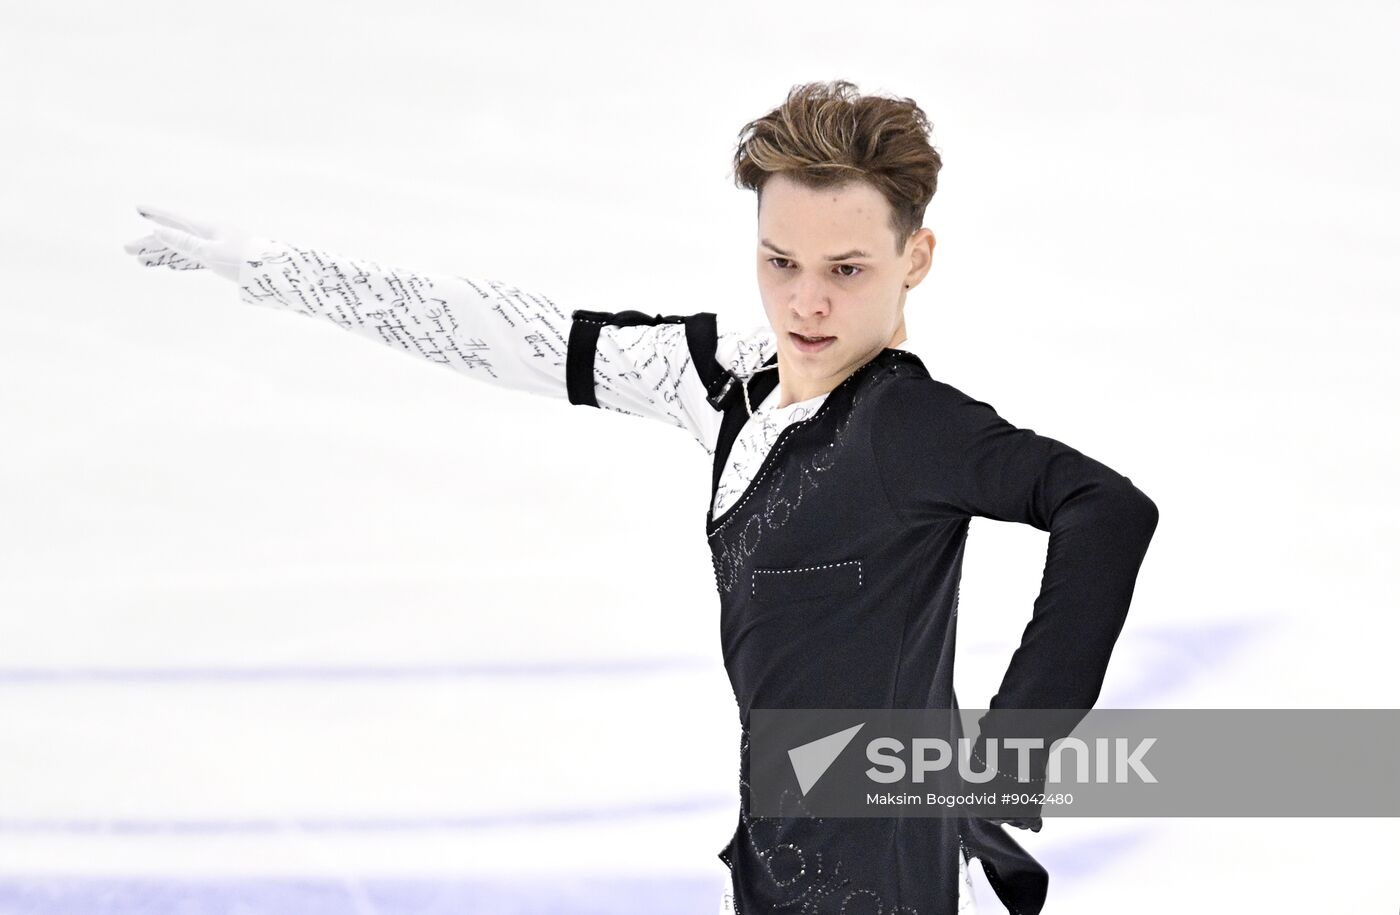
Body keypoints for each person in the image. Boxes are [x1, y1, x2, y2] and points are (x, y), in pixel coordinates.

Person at [126, 79, 1158, 915]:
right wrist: (272, 269)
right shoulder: (720, 380)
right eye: (779, 260)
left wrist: (1013, 749)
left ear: (912, 258)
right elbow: (507, 335)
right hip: (767, 867)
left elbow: (1102, 509)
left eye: (845, 269)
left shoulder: (911, 429)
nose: (806, 299)